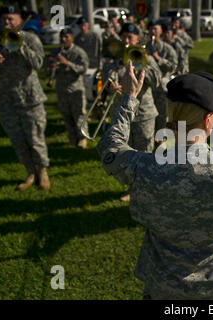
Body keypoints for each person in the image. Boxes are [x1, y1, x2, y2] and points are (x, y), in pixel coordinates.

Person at [96, 61, 213, 300]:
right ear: (208, 120)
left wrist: (130, 98)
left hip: (161, 289)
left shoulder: (144, 167)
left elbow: (111, 147)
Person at [0, 4, 50, 191]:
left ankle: (43, 171)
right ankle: (30, 172)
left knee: (35, 138)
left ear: (20, 21)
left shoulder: (30, 38)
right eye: (4, 19)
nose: (7, 22)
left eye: (11, 19)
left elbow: (38, 63)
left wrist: (21, 47)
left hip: (30, 98)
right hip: (7, 99)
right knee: (18, 139)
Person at [102, 23, 162, 202]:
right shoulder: (114, 60)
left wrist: (139, 65)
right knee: (126, 152)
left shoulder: (145, 57)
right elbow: (106, 79)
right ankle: (133, 188)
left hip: (143, 113)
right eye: (124, 37)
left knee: (145, 151)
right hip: (122, 114)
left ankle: (148, 187)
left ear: (137, 39)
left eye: (130, 37)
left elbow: (156, 81)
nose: (126, 41)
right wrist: (110, 86)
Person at [48, 28, 89, 149]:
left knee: (79, 115)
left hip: (75, 89)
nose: (63, 39)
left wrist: (67, 63)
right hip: (61, 89)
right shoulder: (56, 52)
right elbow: (46, 70)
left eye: (66, 37)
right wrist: (51, 68)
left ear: (72, 38)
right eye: (62, 37)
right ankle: (72, 137)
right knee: (66, 115)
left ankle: (82, 138)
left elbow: (83, 69)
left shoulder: (78, 52)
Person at [147, 19, 178, 133]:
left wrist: (159, 59)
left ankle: (161, 136)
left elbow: (174, 66)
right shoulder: (145, 48)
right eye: (151, 29)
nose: (153, 32)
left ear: (160, 31)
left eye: (155, 29)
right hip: (148, 88)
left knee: (162, 113)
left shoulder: (167, 48)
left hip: (162, 87)